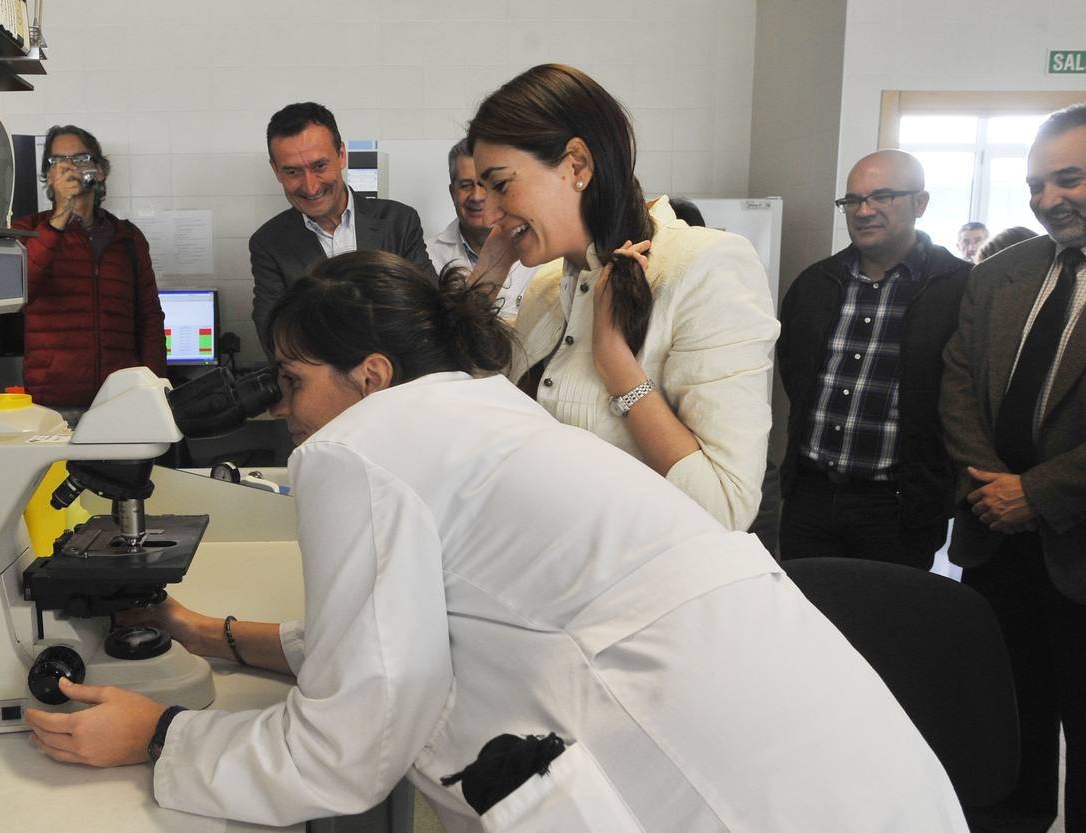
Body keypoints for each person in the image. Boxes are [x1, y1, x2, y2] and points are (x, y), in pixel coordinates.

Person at [24, 250, 985, 833]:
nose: (285, 415)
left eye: (291, 382)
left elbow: (357, 735)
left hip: (737, 830)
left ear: (368, 376)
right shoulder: (493, 418)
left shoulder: (363, 445)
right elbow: (427, 633)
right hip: (862, 797)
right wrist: (209, 634)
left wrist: (163, 738)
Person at [940, 102, 1086, 833]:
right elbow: (959, 384)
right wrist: (992, 488)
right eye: (1036, 183)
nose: (1047, 198)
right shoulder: (1003, 271)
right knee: (1004, 721)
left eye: (1069, 178)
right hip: (997, 542)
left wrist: (1038, 493)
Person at [467, 64, 777, 530]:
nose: (488, 211)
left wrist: (617, 365)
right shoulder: (550, 284)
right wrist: (484, 279)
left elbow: (725, 508)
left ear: (577, 165)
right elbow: (465, 407)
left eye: (502, 185)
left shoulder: (704, 266)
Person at [776, 150, 969, 568]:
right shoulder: (816, 283)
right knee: (803, 616)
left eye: (882, 197)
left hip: (899, 506)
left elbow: (968, 396)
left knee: (884, 622)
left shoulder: (959, 288)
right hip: (810, 495)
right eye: (853, 200)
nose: (864, 211)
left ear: (920, 203)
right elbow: (794, 369)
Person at [248, 102, 434, 360]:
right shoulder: (268, 244)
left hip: (398, 385)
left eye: (320, 166)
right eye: (293, 172)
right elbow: (273, 336)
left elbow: (429, 312)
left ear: (342, 155)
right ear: (276, 171)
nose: (311, 187)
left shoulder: (399, 222)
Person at [10, 125, 166, 418]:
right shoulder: (27, 231)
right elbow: (21, 288)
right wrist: (60, 216)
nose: (69, 168)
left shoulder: (129, 238)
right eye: (58, 162)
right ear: (49, 175)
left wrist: (154, 385)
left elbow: (150, 317)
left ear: (101, 170)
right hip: (52, 403)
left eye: (80, 159)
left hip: (122, 398)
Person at [427, 138, 535, 321]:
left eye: (485, 185)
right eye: (465, 185)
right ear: (452, 193)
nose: (477, 197)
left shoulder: (542, 253)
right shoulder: (426, 256)